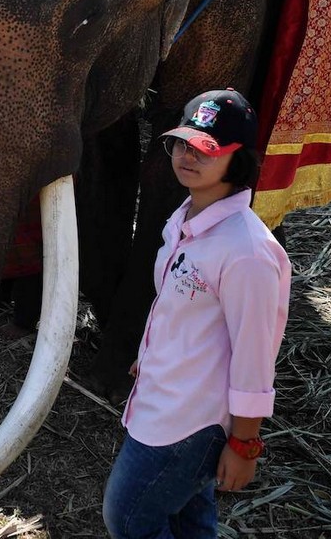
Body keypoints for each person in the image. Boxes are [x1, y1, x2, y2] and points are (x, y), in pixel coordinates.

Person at [103, 89, 292, 539]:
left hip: (192, 421)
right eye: (183, 144)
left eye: (206, 149)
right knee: (190, 518)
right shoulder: (186, 217)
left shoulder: (247, 252)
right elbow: (181, 311)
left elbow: (254, 358)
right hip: (164, 396)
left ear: (238, 158)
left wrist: (245, 445)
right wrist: (152, 358)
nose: (189, 156)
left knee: (128, 517)